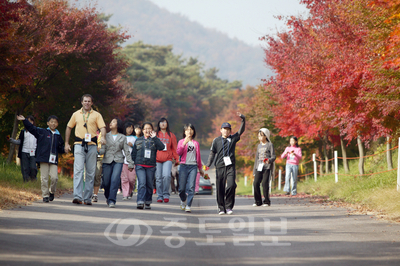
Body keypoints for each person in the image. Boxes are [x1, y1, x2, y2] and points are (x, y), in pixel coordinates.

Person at [65, 94, 107, 205]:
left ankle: (87, 197)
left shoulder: (97, 115)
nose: (87, 103)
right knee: (78, 170)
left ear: (92, 103)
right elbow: (69, 127)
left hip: (92, 145)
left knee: (90, 172)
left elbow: (102, 127)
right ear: (82, 102)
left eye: (89, 101)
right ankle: (77, 196)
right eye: (85, 101)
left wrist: (102, 137)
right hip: (79, 144)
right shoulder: (76, 114)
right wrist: (66, 143)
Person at [17, 115, 65, 202]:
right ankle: (45, 195)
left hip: (53, 160)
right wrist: (24, 120)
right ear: (48, 123)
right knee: (44, 178)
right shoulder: (42, 132)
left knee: (54, 178)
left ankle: (52, 192)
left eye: (55, 122)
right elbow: (32, 128)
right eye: (51, 121)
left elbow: (61, 148)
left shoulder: (58, 135)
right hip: (43, 158)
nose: (53, 123)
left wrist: (65, 149)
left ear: (57, 124)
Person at [205, 112, 245, 215]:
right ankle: (221, 207)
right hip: (220, 166)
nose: (226, 131)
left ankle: (228, 207)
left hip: (230, 166)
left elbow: (241, 131)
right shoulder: (216, 141)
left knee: (231, 185)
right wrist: (208, 164)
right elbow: (212, 153)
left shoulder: (232, 139)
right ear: (221, 130)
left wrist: (243, 120)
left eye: (228, 129)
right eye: (224, 129)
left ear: (230, 131)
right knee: (220, 187)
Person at [98, 118, 134, 208]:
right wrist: (100, 148)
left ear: (118, 125)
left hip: (118, 161)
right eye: (111, 121)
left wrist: (130, 163)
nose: (110, 123)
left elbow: (126, 151)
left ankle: (112, 200)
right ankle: (108, 196)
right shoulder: (105, 135)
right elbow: (102, 151)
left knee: (115, 180)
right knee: (106, 182)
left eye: (113, 122)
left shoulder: (122, 137)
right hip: (107, 160)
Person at [131, 122, 165, 209]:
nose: (147, 130)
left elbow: (161, 147)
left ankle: (148, 201)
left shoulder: (154, 140)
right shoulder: (138, 140)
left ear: (152, 130)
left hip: (151, 166)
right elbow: (133, 153)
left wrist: (155, 138)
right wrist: (133, 163)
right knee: (142, 183)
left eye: (149, 128)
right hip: (140, 165)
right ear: (142, 130)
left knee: (149, 184)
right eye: (145, 128)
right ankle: (140, 201)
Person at [176, 123, 204, 213]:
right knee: (181, 189)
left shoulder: (196, 143)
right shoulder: (181, 141)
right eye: (187, 129)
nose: (189, 131)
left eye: (191, 129)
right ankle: (183, 199)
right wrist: (184, 143)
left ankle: (188, 205)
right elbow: (179, 152)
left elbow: (198, 157)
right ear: (184, 132)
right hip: (184, 166)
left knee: (191, 187)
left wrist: (200, 168)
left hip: (193, 166)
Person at [155, 118, 179, 203]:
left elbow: (174, 148)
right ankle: (159, 195)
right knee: (158, 178)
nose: (163, 124)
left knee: (167, 176)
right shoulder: (156, 134)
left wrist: (177, 159)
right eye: (161, 122)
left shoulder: (171, 135)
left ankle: (166, 194)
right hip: (157, 159)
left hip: (168, 159)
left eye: (164, 122)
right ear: (159, 124)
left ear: (167, 124)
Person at [8, 115, 38, 182]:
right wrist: (11, 140)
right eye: (28, 121)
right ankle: (26, 181)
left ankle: (33, 178)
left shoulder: (36, 131)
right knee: (25, 168)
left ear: (33, 122)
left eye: (31, 121)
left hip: (33, 152)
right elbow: (19, 142)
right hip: (24, 152)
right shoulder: (23, 131)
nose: (29, 123)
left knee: (33, 167)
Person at [252, 128, 275, 207]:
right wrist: (254, 171)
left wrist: (269, 160)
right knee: (255, 183)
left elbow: (274, 156)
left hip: (267, 167)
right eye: (258, 136)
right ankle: (258, 201)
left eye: (261, 136)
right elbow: (256, 158)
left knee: (265, 184)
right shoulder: (259, 146)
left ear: (266, 136)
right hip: (259, 167)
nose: (260, 138)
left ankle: (266, 201)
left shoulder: (270, 145)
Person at [121, 122, 137, 200]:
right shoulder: (122, 137)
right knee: (124, 178)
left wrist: (133, 145)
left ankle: (130, 191)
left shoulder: (135, 138)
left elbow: (138, 148)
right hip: (123, 161)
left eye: (131, 128)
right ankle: (125, 194)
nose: (130, 130)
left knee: (131, 179)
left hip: (132, 162)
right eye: (128, 128)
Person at [92, 131, 103, 203]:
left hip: (100, 156)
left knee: (97, 175)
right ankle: (89, 192)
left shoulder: (103, 132)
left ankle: (95, 194)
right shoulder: (89, 130)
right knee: (89, 175)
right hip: (90, 155)